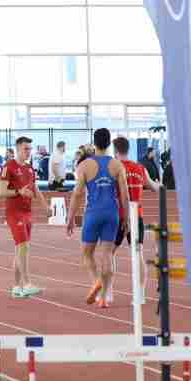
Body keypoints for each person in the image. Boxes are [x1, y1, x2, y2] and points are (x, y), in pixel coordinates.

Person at [66, 129, 131, 308]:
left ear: (94, 144)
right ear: (109, 144)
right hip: (112, 213)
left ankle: (96, 281)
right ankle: (105, 296)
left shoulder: (84, 165)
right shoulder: (117, 165)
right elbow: (125, 196)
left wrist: (70, 218)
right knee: (107, 254)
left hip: (93, 213)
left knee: (87, 254)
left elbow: (77, 194)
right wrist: (126, 219)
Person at [111, 137, 151, 304]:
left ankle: (108, 291)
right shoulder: (140, 168)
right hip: (137, 215)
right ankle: (140, 294)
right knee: (138, 254)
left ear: (115, 150)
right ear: (128, 149)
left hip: (118, 216)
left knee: (109, 253)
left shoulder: (114, 167)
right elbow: (153, 186)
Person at [4, 137, 42, 298]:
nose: (29, 152)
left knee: (20, 249)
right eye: (26, 149)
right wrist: (19, 192)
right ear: (18, 149)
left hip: (27, 212)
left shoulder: (29, 168)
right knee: (23, 246)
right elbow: (1, 191)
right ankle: (26, 283)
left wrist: (45, 206)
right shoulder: (9, 166)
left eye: (30, 149)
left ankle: (16, 287)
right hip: (14, 212)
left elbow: (35, 188)